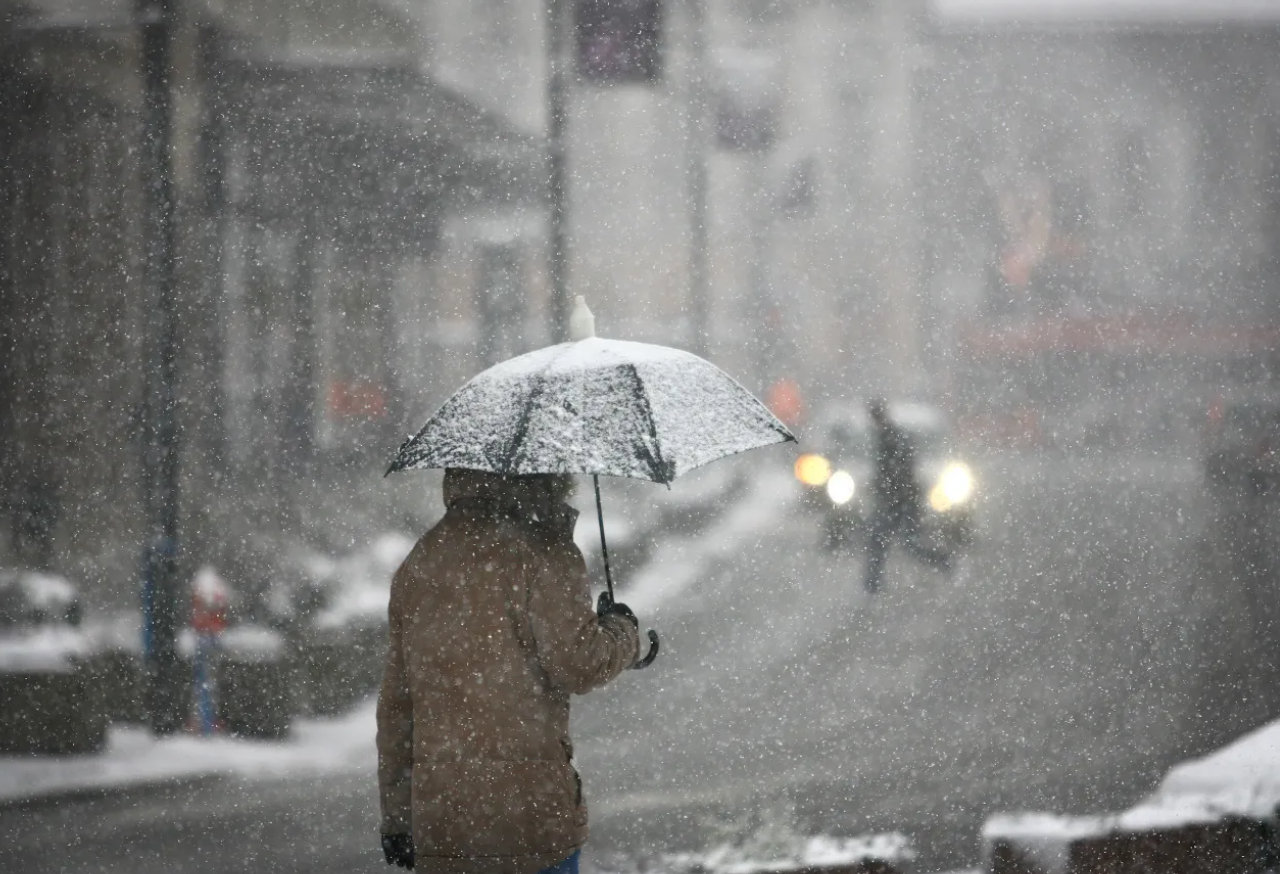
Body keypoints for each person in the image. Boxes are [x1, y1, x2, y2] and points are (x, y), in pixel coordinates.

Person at [377, 469, 642, 874]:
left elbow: (398, 706)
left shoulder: (423, 559)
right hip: (530, 821)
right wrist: (622, 631)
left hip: (443, 824)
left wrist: (398, 817)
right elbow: (580, 664)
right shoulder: (545, 551)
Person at [862, 399, 952, 594]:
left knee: (901, 543)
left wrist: (888, 489)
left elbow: (900, 472)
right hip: (898, 501)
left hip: (900, 502)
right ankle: (872, 586)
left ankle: (944, 561)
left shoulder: (891, 438)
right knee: (887, 542)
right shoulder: (887, 436)